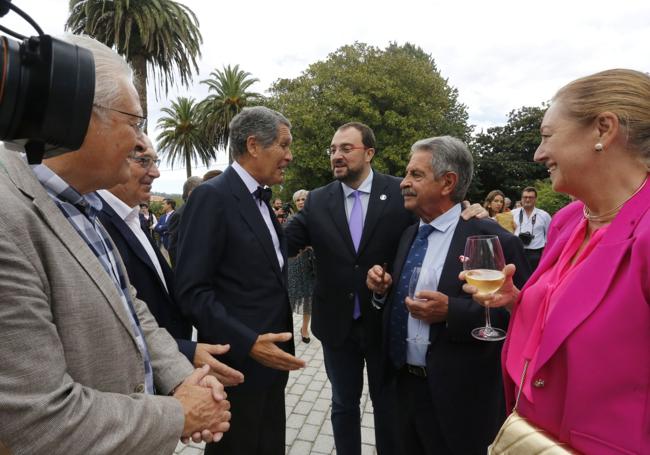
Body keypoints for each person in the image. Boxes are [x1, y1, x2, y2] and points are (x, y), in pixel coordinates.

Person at [0, 34, 229, 454]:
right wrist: (180, 413)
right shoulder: (7, 216)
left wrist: (184, 378)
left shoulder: (80, 203)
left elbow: (132, 311)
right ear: (81, 115)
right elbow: (35, 420)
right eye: (135, 122)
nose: (141, 142)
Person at [464, 68, 650, 454]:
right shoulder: (569, 221)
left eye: (547, 136)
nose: (539, 154)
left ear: (603, 129)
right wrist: (517, 300)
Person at [285, 122, 487, 455]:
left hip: (386, 323)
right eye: (333, 149)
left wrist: (468, 208)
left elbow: (439, 217)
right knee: (342, 404)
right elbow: (282, 243)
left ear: (369, 152)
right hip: (336, 325)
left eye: (346, 148)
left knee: (388, 405)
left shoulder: (401, 191)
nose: (337, 155)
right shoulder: (318, 200)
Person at [366, 136, 530, 455]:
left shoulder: (493, 240)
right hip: (399, 390)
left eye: (416, 175)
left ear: (448, 182)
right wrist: (381, 293)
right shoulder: (409, 234)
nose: (404, 182)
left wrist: (451, 312)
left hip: (458, 401)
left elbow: (520, 317)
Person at [175, 106, 305, 455]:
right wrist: (249, 342)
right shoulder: (212, 197)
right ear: (253, 145)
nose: (289, 156)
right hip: (237, 368)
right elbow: (192, 291)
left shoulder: (264, 201)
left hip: (271, 367)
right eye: (283, 145)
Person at [97, 135, 244, 387]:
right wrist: (185, 350)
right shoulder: (96, 223)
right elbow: (112, 323)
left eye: (155, 161)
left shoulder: (132, 218)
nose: (155, 173)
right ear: (110, 158)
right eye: (143, 160)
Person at [287, 189, 315, 343]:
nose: (300, 202)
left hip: (312, 265)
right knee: (291, 296)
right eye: (298, 200)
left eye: (303, 199)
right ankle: (285, 328)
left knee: (308, 299)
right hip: (295, 264)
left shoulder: (317, 218)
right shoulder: (292, 220)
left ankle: (304, 329)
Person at [511, 187, 551, 271]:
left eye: (530, 197)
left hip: (536, 254)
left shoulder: (544, 215)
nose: (527, 200)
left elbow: (549, 237)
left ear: (535, 199)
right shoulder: (512, 214)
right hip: (517, 252)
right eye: (525, 197)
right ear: (521, 199)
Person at [167, 176, 203, 267]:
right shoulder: (179, 215)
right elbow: (173, 249)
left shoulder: (198, 210)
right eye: (203, 191)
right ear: (191, 193)